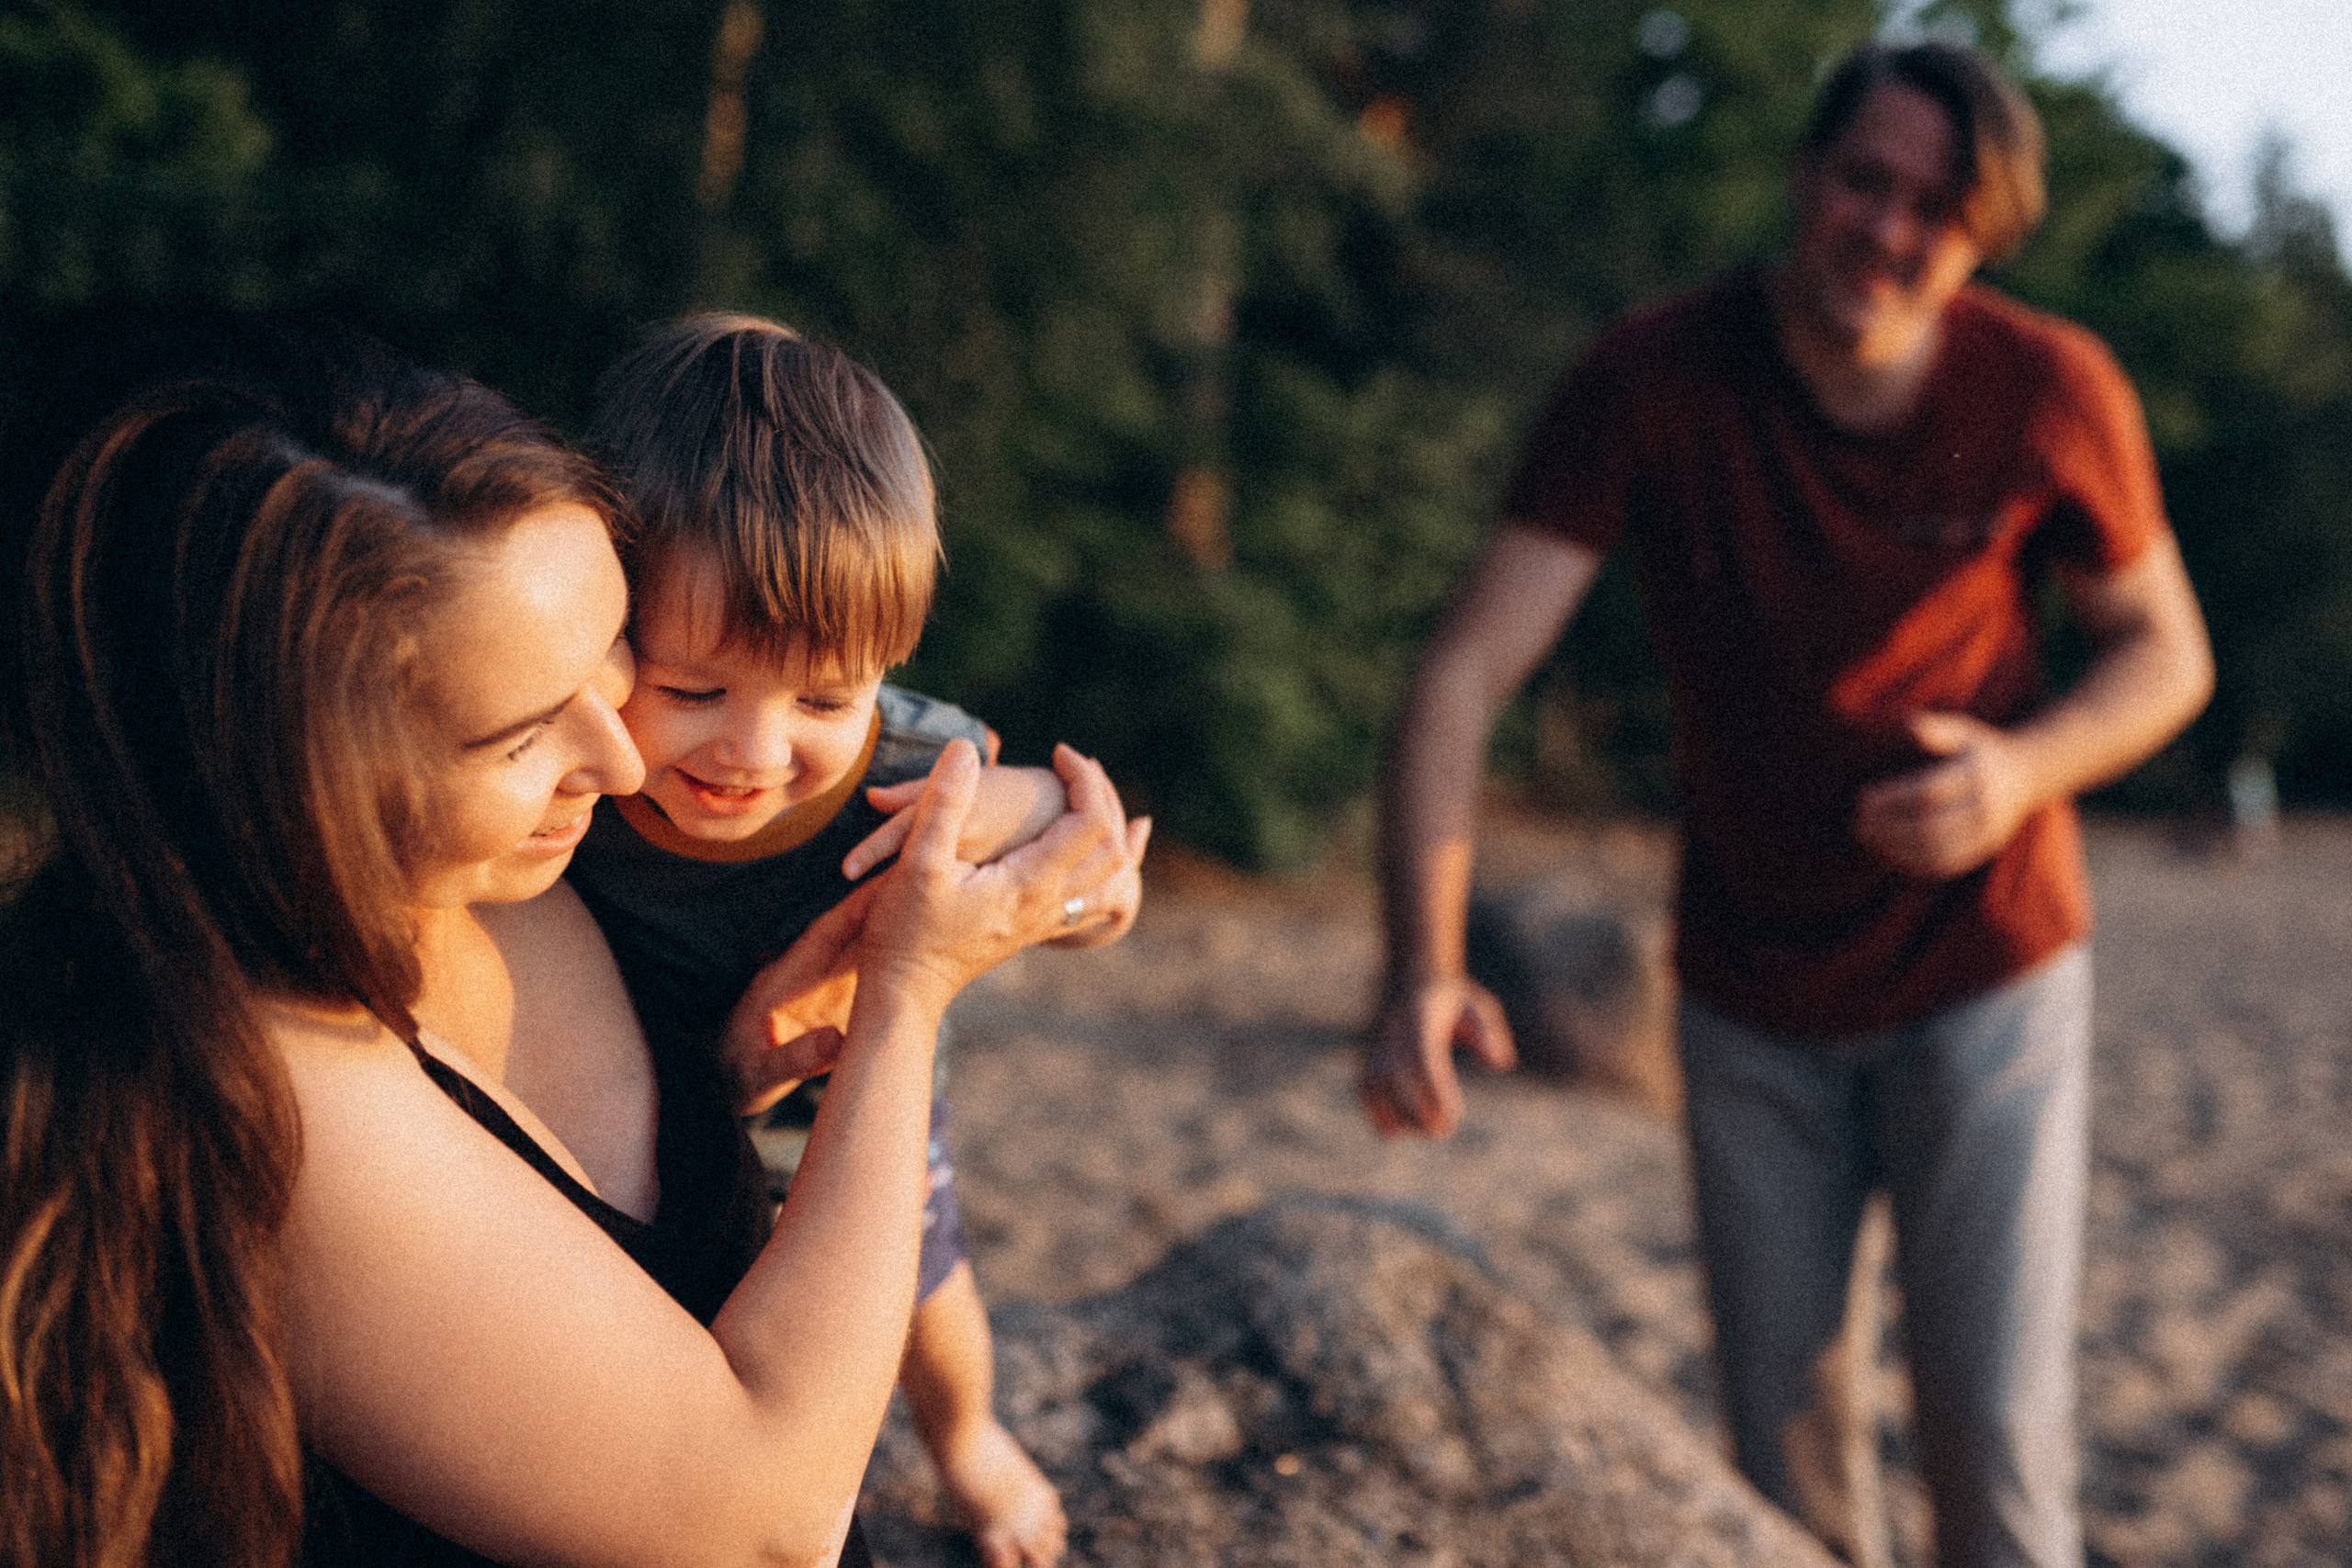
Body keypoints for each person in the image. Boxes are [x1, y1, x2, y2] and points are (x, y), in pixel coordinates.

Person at [0, 335, 1136, 1568]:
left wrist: (740, 1068)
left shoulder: (522, 865)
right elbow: (767, 1528)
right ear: (317, 781)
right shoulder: (276, 1105)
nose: (629, 762)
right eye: (525, 733)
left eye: (612, 656)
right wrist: (910, 989)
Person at [1363, 41, 2213, 1568]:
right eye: (1864, 182)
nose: (1886, 229)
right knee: (1783, 1463)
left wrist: (2020, 772)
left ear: (1984, 237)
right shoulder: (1650, 379)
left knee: (1997, 1440)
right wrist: (1426, 965)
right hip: (1748, 994)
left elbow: (2167, 654)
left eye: (1935, 210)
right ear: (1806, 174)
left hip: (1990, 970)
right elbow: (1462, 670)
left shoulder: (2049, 388)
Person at [569, 314, 1137, 1568]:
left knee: (926, 1294)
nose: (755, 752)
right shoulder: (572, 769)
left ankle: (970, 1441)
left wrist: (1030, 812)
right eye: (694, 689)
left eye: (827, 696)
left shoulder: (916, 769)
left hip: (853, 1109)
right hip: (633, 1095)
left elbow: (1092, 877)